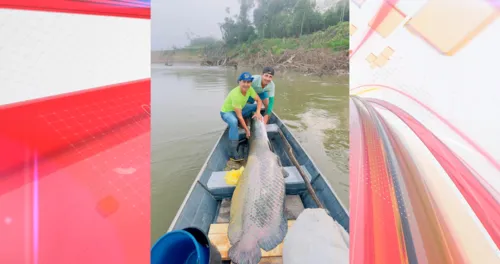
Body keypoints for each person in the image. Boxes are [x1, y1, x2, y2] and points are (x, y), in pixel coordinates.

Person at [220, 72, 263, 161]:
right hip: (227, 113)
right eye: (244, 82)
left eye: (248, 82)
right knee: (234, 122)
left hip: (240, 108)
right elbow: (239, 116)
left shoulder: (250, 89)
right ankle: (233, 152)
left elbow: (259, 101)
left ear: (250, 83)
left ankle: (248, 119)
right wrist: (247, 130)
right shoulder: (236, 94)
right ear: (239, 82)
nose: (246, 84)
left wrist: (258, 112)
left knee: (256, 107)